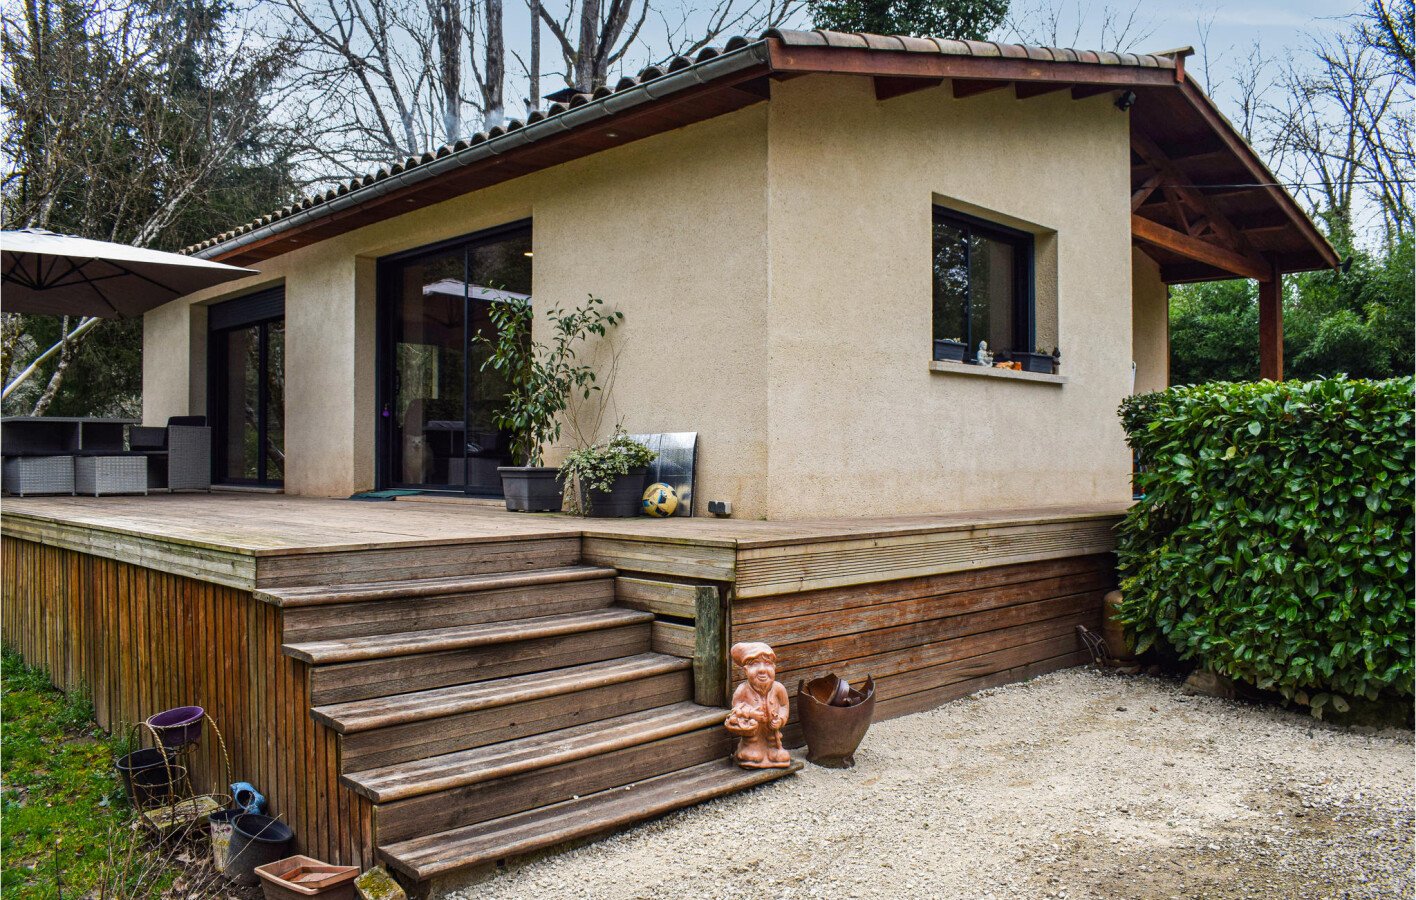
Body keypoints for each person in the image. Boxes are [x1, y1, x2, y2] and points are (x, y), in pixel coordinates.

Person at [724, 642, 792, 768]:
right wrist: (751, 714)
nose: (762, 669)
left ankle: (774, 750)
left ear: (774, 667)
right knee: (752, 754)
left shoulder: (778, 689)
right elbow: (736, 709)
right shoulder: (742, 689)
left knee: (780, 755)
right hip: (752, 733)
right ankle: (751, 749)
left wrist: (781, 720)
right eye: (755, 664)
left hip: (773, 733)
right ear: (746, 670)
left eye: (767, 663)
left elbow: (784, 706)